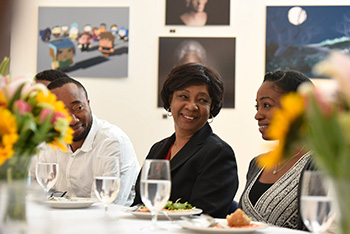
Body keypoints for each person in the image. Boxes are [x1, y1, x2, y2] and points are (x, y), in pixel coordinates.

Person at [132, 63, 238, 218]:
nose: (191, 106)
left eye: (202, 100)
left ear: (211, 108)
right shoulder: (158, 148)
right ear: (170, 100)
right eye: (183, 96)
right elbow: (139, 205)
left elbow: (203, 217)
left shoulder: (218, 154)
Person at [32, 77, 140, 206]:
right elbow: (40, 195)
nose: (73, 120)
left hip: (114, 223)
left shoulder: (112, 142)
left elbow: (106, 205)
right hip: (62, 222)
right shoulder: (50, 143)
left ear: (88, 104)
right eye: (62, 113)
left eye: (78, 108)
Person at [238, 70, 314, 230]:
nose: (257, 115)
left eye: (266, 105)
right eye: (257, 106)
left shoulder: (319, 163)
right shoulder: (257, 164)